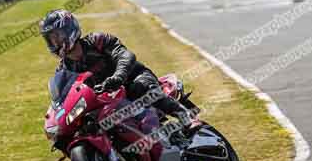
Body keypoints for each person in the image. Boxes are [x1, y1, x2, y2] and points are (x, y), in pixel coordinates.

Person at [39, 9, 198, 132]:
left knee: (141, 86)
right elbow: (65, 98)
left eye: (57, 36)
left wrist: (118, 76)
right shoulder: (63, 68)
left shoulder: (97, 41)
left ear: (69, 30)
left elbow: (125, 55)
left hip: (132, 78)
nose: (55, 42)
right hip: (107, 100)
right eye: (50, 39)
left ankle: (187, 118)